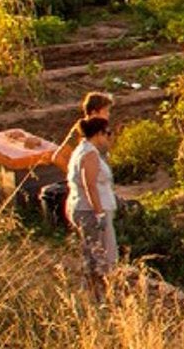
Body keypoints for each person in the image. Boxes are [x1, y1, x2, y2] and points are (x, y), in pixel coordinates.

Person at [65, 117, 118, 297]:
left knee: (91, 252)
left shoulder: (82, 150)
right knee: (100, 255)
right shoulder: (90, 154)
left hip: (83, 207)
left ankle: (91, 293)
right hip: (90, 210)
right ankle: (99, 295)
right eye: (107, 133)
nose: (109, 138)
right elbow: (90, 185)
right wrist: (99, 213)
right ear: (98, 134)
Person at [50, 92, 113, 172]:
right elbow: (58, 158)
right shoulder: (80, 130)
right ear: (94, 112)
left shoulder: (101, 130)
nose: (108, 114)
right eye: (105, 111)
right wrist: (76, 176)